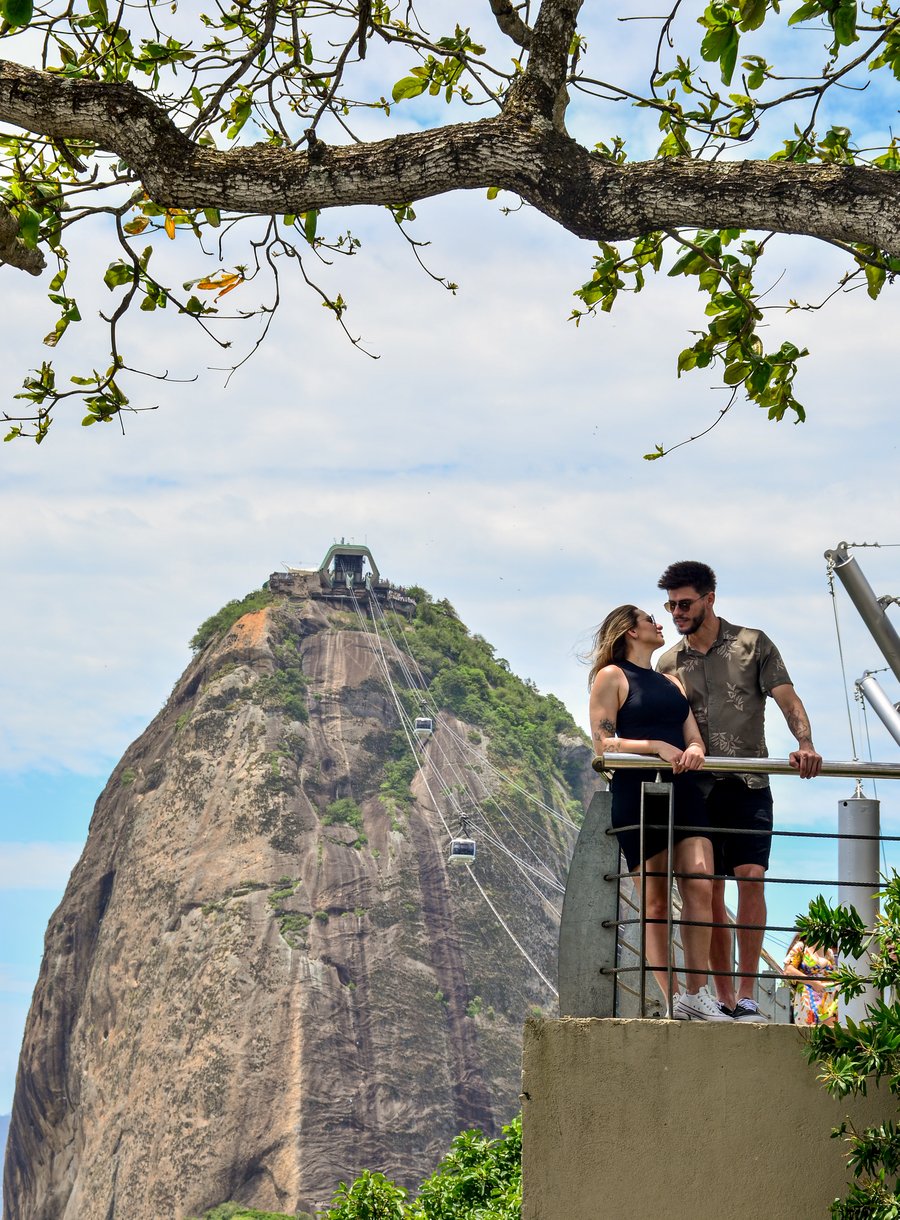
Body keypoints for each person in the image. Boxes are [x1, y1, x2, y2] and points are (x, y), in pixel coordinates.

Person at [656, 560, 822, 1022]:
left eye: (684, 603)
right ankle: (723, 998)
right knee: (707, 889)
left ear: (710, 598)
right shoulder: (668, 661)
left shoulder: (754, 644)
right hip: (695, 787)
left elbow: (788, 698)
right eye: (670, 606)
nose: (677, 613)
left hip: (749, 784)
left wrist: (804, 744)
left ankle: (747, 995)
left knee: (751, 877)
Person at [588, 604, 733, 1021]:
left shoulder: (672, 682)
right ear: (629, 631)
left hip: (685, 789)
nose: (659, 622)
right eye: (649, 618)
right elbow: (603, 744)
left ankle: (696, 994)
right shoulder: (611, 676)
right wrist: (654, 746)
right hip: (639, 792)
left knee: (701, 883)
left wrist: (694, 749)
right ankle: (672, 1001)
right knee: (653, 903)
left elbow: (694, 738)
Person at [783, 935, 838, 1026]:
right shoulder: (801, 947)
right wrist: (812, 982)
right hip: (807, 996)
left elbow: (834, 975)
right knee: (810, 1033)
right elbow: (788, 970)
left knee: (831, 1035)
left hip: (828, 998)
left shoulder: (829, 951)